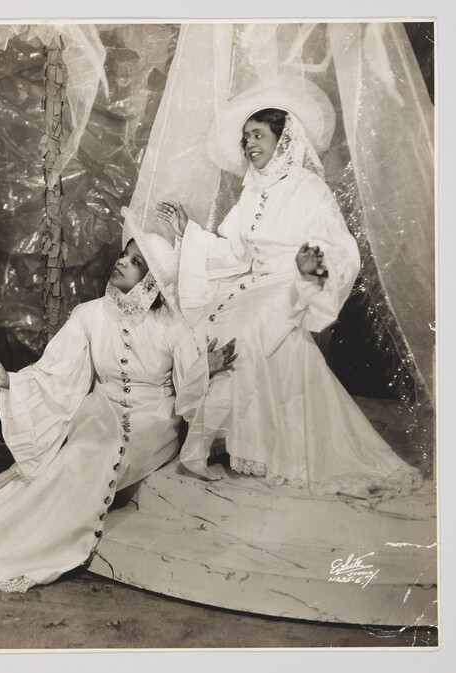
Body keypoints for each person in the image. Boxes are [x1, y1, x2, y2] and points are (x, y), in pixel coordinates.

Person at [0, 215, 235, 592]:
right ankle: (9, 538)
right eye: (125, 255)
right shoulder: (89, 314)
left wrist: (203, 370)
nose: (122, 262)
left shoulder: (173, 325)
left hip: (153, 421)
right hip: (102, 409)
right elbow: (55, 373)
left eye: (136, 262)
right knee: (68, 456)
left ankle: (33, 540)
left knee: (93, 454)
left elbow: (186, 393)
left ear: (150, 282)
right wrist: (8, 380)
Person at [157, 83, 422, 499]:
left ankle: (215, 448)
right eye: (245, 137)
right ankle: (219, 442)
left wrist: (306, 277)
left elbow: (337, 250)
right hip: (252, 283)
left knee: (246, 331)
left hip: (291, 286)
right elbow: (233, 250)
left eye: (258, 134)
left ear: (284, 140)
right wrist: (186, 231)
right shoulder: (251, 192)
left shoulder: (309, 188)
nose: (248, 144)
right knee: (205, 328)